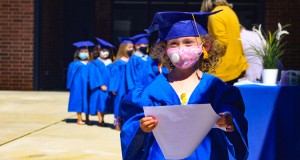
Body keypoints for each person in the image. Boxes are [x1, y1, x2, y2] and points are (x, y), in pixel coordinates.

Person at [120, 11, 248, 160]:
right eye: (174, 44)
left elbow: (233, 116)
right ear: (165, 50)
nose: (181, 49)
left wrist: (228, 119)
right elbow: (131, 126)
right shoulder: (151, 91)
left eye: (188, 42)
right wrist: (142, 128)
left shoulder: (216, 89)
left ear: (204, 47)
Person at [201, 0, 248, 85]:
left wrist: (204, 49)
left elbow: (222, 42)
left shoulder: (214, 15)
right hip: (235, 66)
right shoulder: (229, 11)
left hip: (222, 70)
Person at [108, 37, 134, 131]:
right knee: (118, 104)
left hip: (130, 86)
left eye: (132, 47)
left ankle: (126, 123)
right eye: (129, 47)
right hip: (120, 87)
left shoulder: (133, 60)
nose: (131, 49)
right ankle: (117, 124)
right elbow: (114, 76)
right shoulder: (118, 62)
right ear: (123, 48)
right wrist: (113, 88)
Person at [67, 41, 94, 125]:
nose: (84, 53)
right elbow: (70, 75)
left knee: (88, 100)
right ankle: (79, 118)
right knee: (78, 101)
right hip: (77, 85)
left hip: (88, 85)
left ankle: (87, 118)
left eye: (86, 52)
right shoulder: (74, 64)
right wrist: (70, 85)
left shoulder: (91, 64)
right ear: (78, 53)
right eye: (82, 52)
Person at [89, 37, 115, 125]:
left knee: (105, 103)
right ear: (99, 51)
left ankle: (102, 118)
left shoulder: (110, 62)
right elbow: (94, 75)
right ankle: (100, 120)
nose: (105, 52)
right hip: (100, 87)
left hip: (108, 86)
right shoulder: (95, 63)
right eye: (103, 50)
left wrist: (112, 85)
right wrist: (100, 85)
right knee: (99, 103)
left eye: (107, 50)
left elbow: (113, 75)